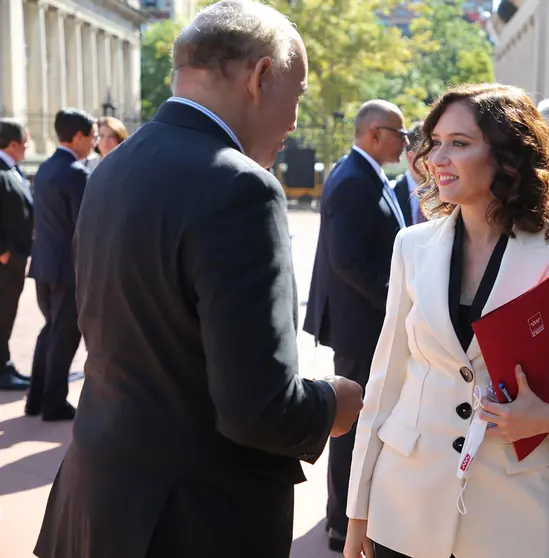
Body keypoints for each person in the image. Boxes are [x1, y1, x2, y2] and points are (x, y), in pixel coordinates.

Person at [34, 2, 363, 557]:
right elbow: (259, 408)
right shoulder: (240, 187)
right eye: (298, 94)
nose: (295, 121)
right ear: (261, 76)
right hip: (196, 519)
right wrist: (333, 403)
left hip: (101, 499)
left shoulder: (114, 165)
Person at [344, 83, 549, 558]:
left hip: (514, 520)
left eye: (458, 143)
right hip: (406, 506)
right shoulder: (411, 247)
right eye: (434, 143)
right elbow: (385, 384)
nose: (438, 158)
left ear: (508, 156)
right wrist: (358, 512)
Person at [303, 99, 408, 551]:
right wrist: (397, 303)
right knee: (353, 425)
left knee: (364, 420)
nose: (406, 144)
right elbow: (346, 259)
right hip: (360, 324)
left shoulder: (364, 173)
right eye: (399, 135)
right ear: (374, 134)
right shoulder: (352, 179)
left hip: (364, 322)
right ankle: (340, 523)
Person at [26, 109, 97, 421]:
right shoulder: (76, 173)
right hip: (68, 268)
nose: (94, 144)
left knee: (50, 331)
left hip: (44, 264)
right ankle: (53, 402)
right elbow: (86, 226)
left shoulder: (45, 168)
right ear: (79, 137)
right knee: (64, 335)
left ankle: (36, 398)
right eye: (93, 137)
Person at [0, 119, 33, 391]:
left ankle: (4, 364)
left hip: (16, 259)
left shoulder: (12, 169)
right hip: (5, 262)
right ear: (12, 144)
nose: (27, 147)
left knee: (7, 314)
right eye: (24, 142)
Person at [392, 121, 427, 225]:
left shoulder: (448, 198)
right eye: (426, 155)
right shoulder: (391, 194)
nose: (435, 160)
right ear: (410, 156)